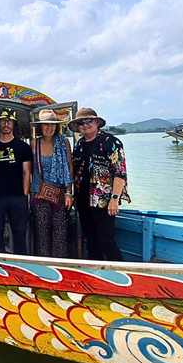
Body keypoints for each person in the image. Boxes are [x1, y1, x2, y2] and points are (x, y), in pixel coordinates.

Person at [69, 107, 129, 261]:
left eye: (88, 121)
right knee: (91, 240)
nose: (85, 125)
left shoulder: (111, 142)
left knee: (106, 241)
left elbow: (120, 173)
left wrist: (114, 199)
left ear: (97, 122)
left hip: (104, 201)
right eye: (81, 122)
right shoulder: (80, 144)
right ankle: (98, 275)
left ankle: (120, 275)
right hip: (83, 200)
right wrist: (73, 196)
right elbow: (75, 171)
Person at [0, 108, 33, 254]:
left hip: (17, 197)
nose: (6, 124)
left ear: (14, 124)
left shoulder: (23, 147)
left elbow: (27, 172)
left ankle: (21, 267)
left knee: (19, 234)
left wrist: (24, 195)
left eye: (9, 121)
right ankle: (0, 267)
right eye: (3, 121)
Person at [30, 109, 73, 257]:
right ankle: (43, 267)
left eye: (53, 124)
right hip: (39, 193)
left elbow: (69, 167)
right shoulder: (34, 144)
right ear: (40, 127)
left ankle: (59, 266)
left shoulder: (63, 142)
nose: (49, 128)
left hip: (59, 194)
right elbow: (28, 170)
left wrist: (68, 192)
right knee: (42, 234)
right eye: (46, 124)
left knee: (60, 234)